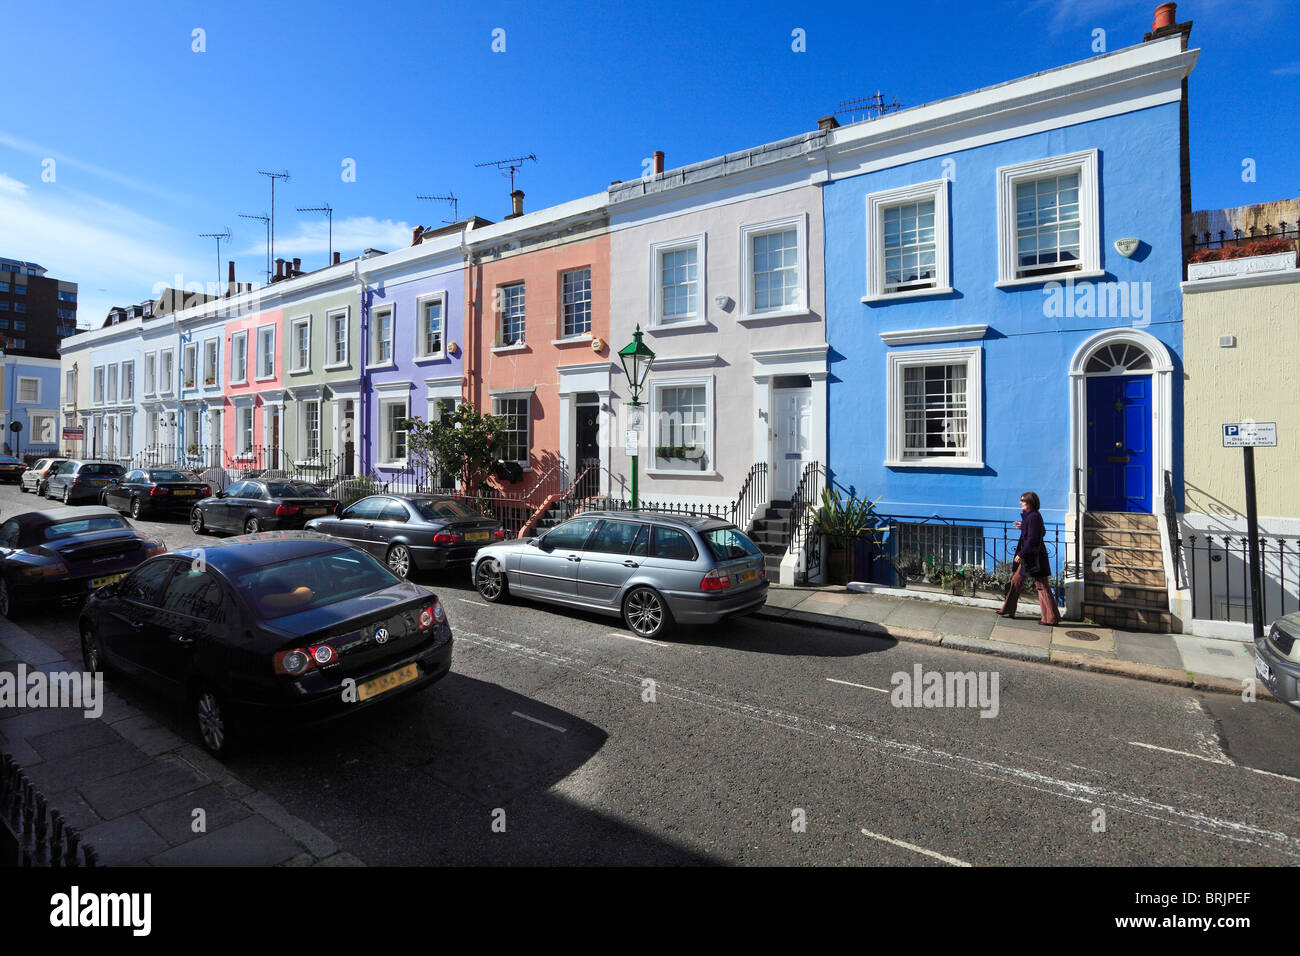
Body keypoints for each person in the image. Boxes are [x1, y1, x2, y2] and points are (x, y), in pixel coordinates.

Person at [996, 491, 1061, 625]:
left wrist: (1021, 554)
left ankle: (1051, 618)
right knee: (1015, 581)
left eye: (1022, 500)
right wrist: (1023, 526)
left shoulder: (1033, 517)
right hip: (1029, 557)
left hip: (1034, 558)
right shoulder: (1030, 517)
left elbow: (1033, 538)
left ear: (1030, 502)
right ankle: (1008, 609)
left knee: (1042, 586)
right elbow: (1038, 531)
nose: (1020, 502)